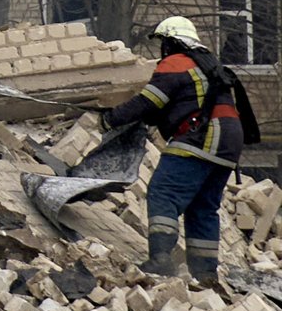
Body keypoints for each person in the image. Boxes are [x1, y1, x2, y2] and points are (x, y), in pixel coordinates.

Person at [102, 16, 258, 284]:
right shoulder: (207, 64)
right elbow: (182, 102)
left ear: (171, 42)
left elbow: (149, 100)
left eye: (163, 42)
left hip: (202, 135)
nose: (162, 49)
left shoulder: (177, 62)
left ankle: (161, 260)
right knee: (202, 206)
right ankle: (205, 272)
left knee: (164, 193)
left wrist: (111, 118)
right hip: (230, 141)